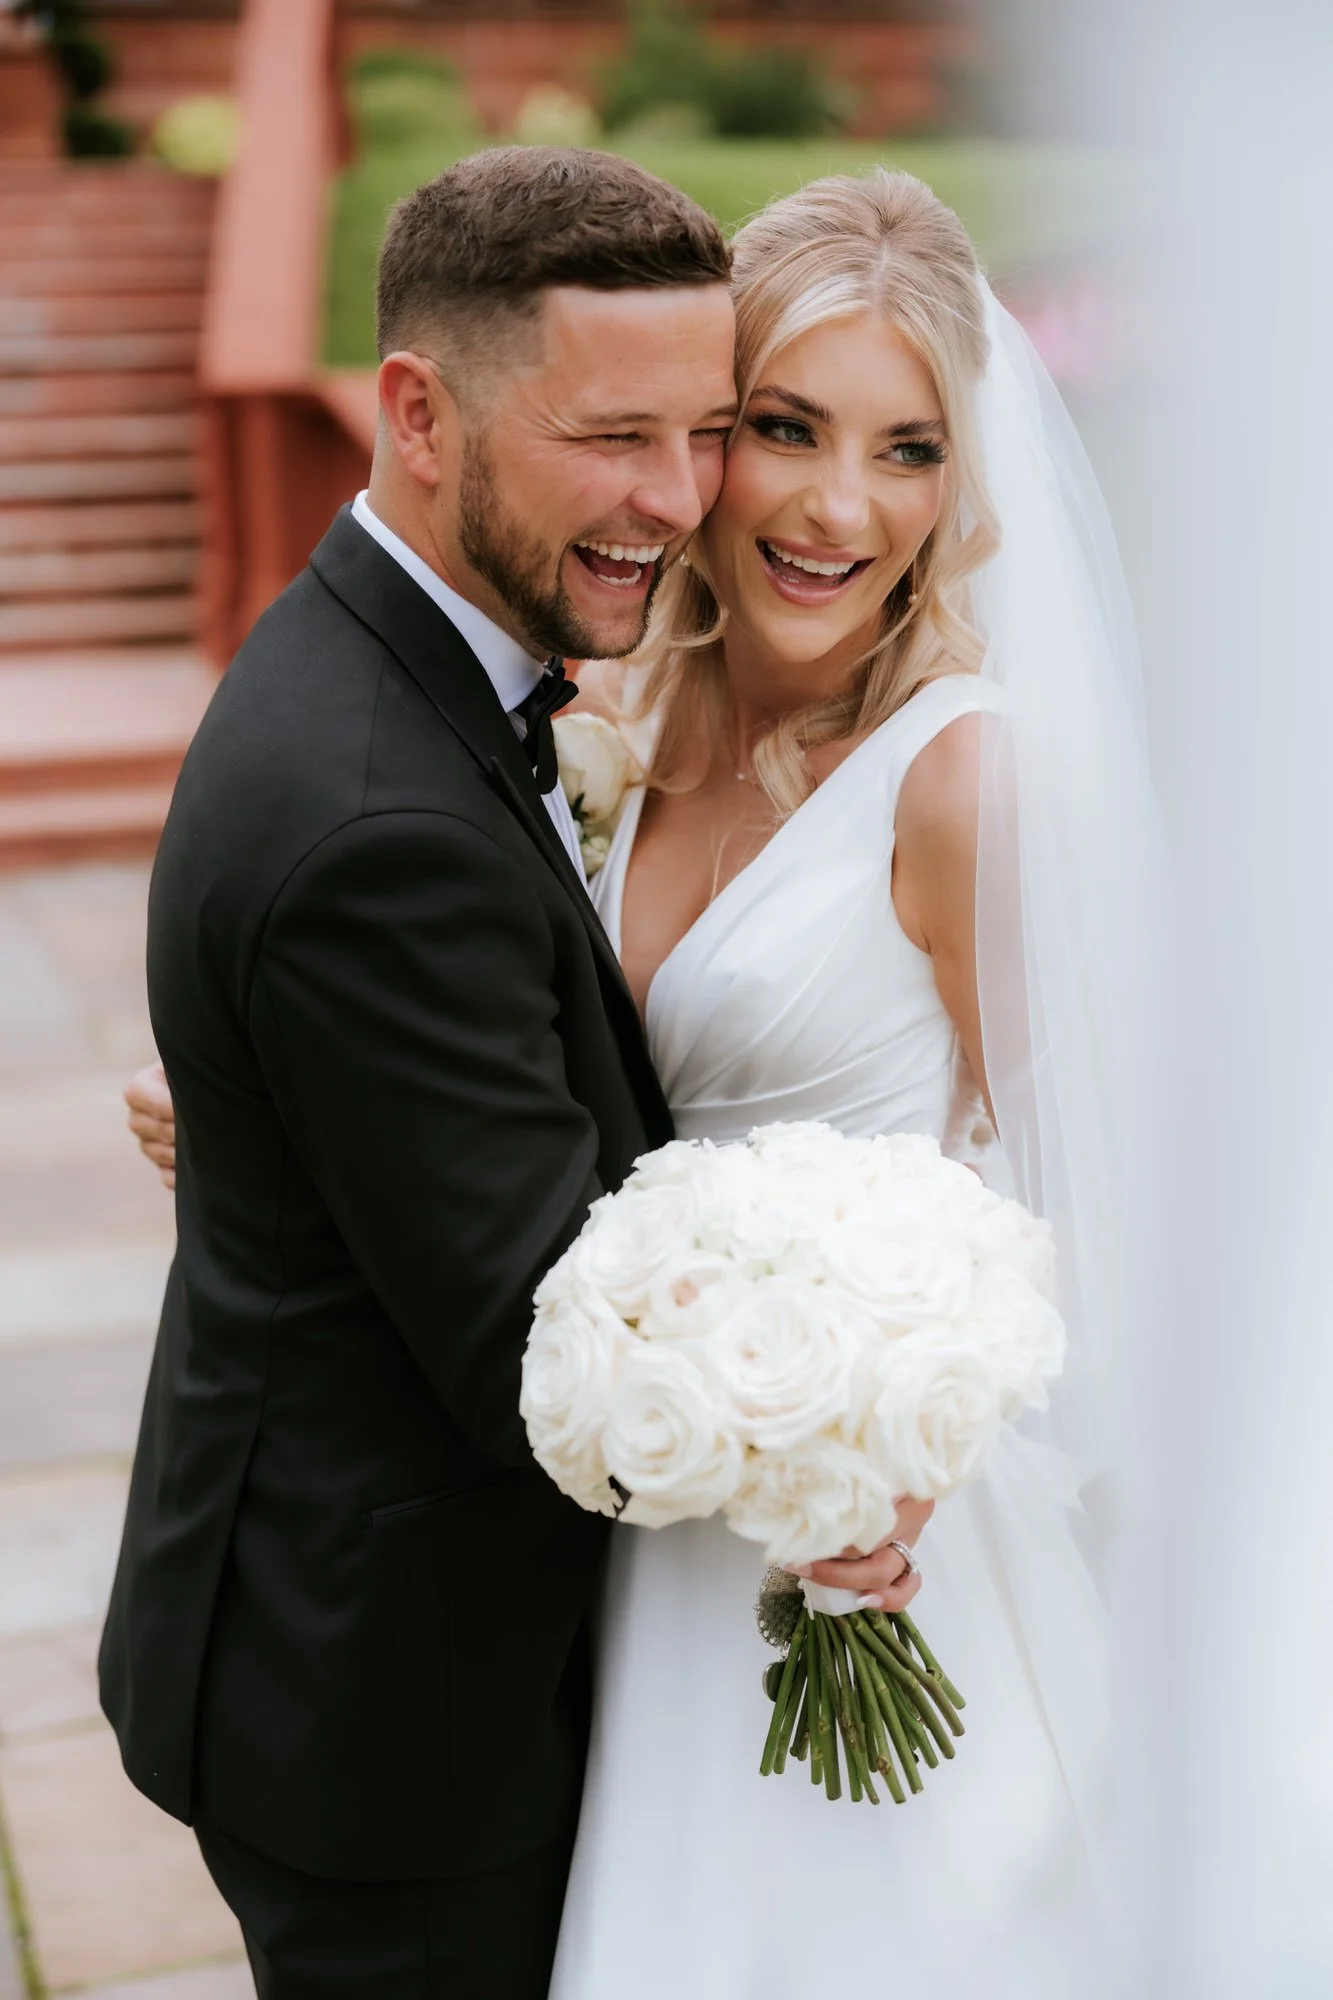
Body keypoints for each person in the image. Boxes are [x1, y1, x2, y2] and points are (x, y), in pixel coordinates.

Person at [127, 167, 1158, 1997]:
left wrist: (910, 1415)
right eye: (777, 428)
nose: (836, 504)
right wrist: (293, 1118)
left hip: (860, 1539)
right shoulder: (612, 733)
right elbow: (535, 1110)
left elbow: (1113, 1196)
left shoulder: (963, 786)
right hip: (626, 1564)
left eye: (909, 449)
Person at [102, 145, 819, 2000]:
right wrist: (877, 1398)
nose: (678, 502)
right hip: (403, 1736)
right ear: (418, 410)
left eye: (708, 430)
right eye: (613, 439)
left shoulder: (401, 670)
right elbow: (550, 1348)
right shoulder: (374, 823)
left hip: (344, 1629)